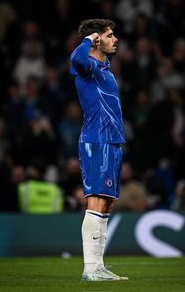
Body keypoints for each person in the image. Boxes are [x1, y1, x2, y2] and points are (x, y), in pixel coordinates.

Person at [70, 19, 128, 281]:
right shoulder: (87, 67)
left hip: (112, 141)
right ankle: (90, 268)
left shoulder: (104, 69)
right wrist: (87, 40)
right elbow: (76, 58)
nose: (115, 39)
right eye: (110, 35)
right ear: (96, 40)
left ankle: (99, 265)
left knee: (106, 203)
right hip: (96, 141)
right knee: (95, 201)